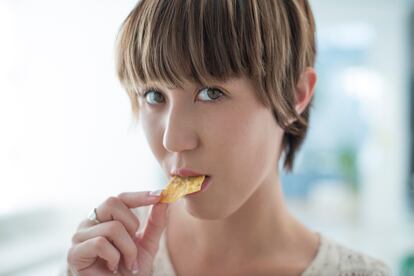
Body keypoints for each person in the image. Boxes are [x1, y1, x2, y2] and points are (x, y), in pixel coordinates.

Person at [65, 0, 392, 275]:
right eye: (153, 96)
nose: (173, 140)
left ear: (295, 94)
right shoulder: (109, 257)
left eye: (210, 93)